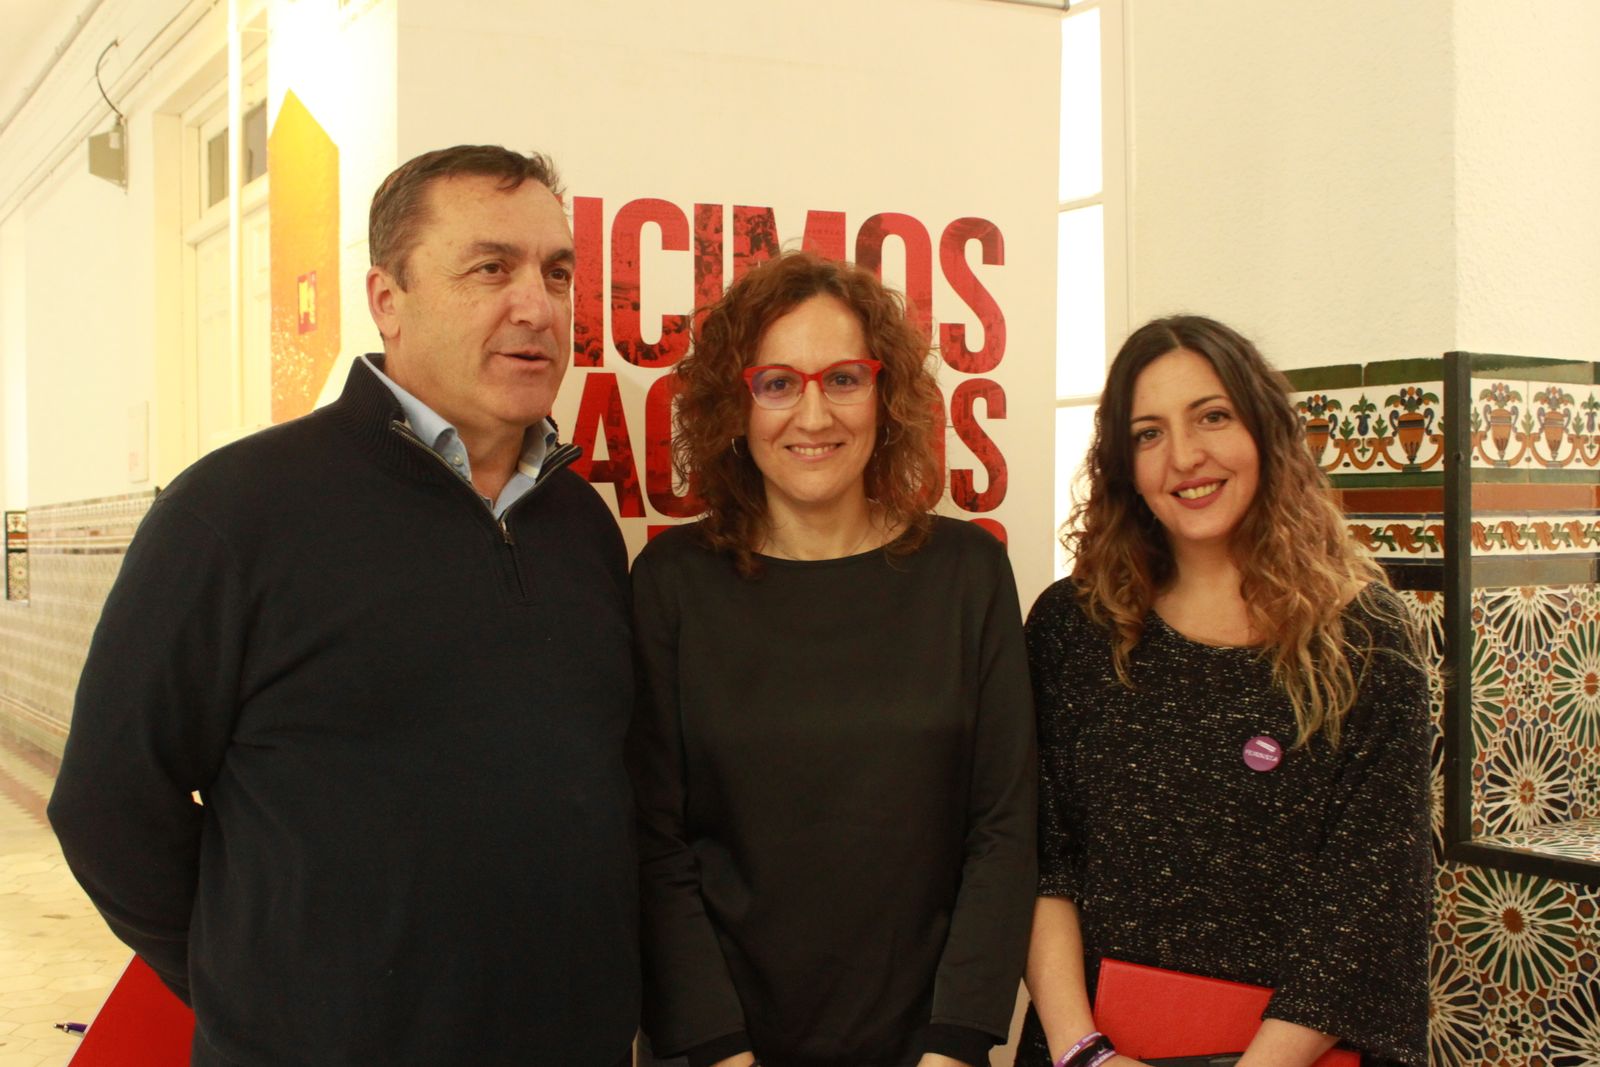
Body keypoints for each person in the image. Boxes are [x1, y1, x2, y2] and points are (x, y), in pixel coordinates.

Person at [48, 145, 638, 1066]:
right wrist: (256, 985)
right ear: (387, 300)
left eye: (556, 273)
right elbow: (107, 807)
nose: (537, 305)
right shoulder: (235, 513)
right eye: (491, 267)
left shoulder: (583, 526)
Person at [629, 250, 1036, 1067]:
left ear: (884, 395)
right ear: (734, 405)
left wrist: (955, 1044)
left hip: (928, 1051)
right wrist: (720, 1051)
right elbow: (654, 841)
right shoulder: (671, 582)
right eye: (778, 383)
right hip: (722, 1049)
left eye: (843, 378)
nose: (813, 415)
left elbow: (1002, 826)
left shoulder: (967, 573)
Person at [1017, 315, 1430, 1067]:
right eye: (1148, 433)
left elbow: (1370, 907)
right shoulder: (1070, 629)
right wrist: (1084, 1053)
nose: (1184, 457)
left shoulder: (1366, 638)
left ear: (1264, 429)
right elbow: (1040, 860)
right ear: (1122, 464)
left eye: (1211, 416)